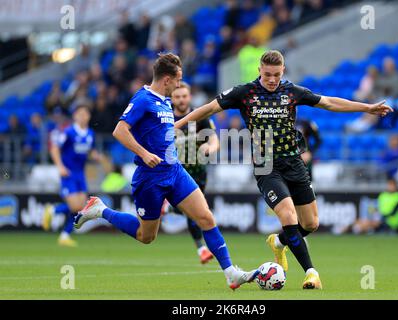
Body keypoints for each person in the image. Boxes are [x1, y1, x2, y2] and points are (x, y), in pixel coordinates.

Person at [174, 50, 393, 289]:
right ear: (259, 71)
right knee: (288, 216)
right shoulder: (244, 93)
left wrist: (366, 108)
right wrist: (179, 123)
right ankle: (311, 273)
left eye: (276, 74)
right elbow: (209, 108)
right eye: (267, 74)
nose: (271, 79)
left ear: (283, 71)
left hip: (294, 163)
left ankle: (279, 242)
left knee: (310, 224)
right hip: (266, 166)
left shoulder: (291, 91)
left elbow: (329, 102)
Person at [73, 53, 259, 290]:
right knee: (146, 236)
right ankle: (101, 210)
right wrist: (143, 153)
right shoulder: (143, 99)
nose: (180, 85)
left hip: (175, 171)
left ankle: (231, 272)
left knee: (206, 217)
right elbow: (119, 131)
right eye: (178, 80)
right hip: (149, 178)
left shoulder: (165, 101)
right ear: (167, 79)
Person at [162, 82, 219, 264]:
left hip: (199, 171)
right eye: (177, 96)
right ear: (172, 98)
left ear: (189, 97)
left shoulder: (199, 116)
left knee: (193, 210)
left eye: (184, 96)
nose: (181, 100)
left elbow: (214, 138)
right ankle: (201, 248)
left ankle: (170, 208)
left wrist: (209, 147)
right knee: (194, 211)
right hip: (176, 173)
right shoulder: (166, 119)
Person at [42, 100, 104, 247]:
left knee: (81, 207)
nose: (83, 116)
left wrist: (96, 156)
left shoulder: (90, 133)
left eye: (86, 113)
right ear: (75, 116)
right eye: (80, 113)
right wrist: (60, 167)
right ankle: (53, 210)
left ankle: (64, 236)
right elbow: (54, 149)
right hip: (68, 173)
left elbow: (89, 150)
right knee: (75, 207)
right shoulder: (68, 132)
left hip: (80, 174)